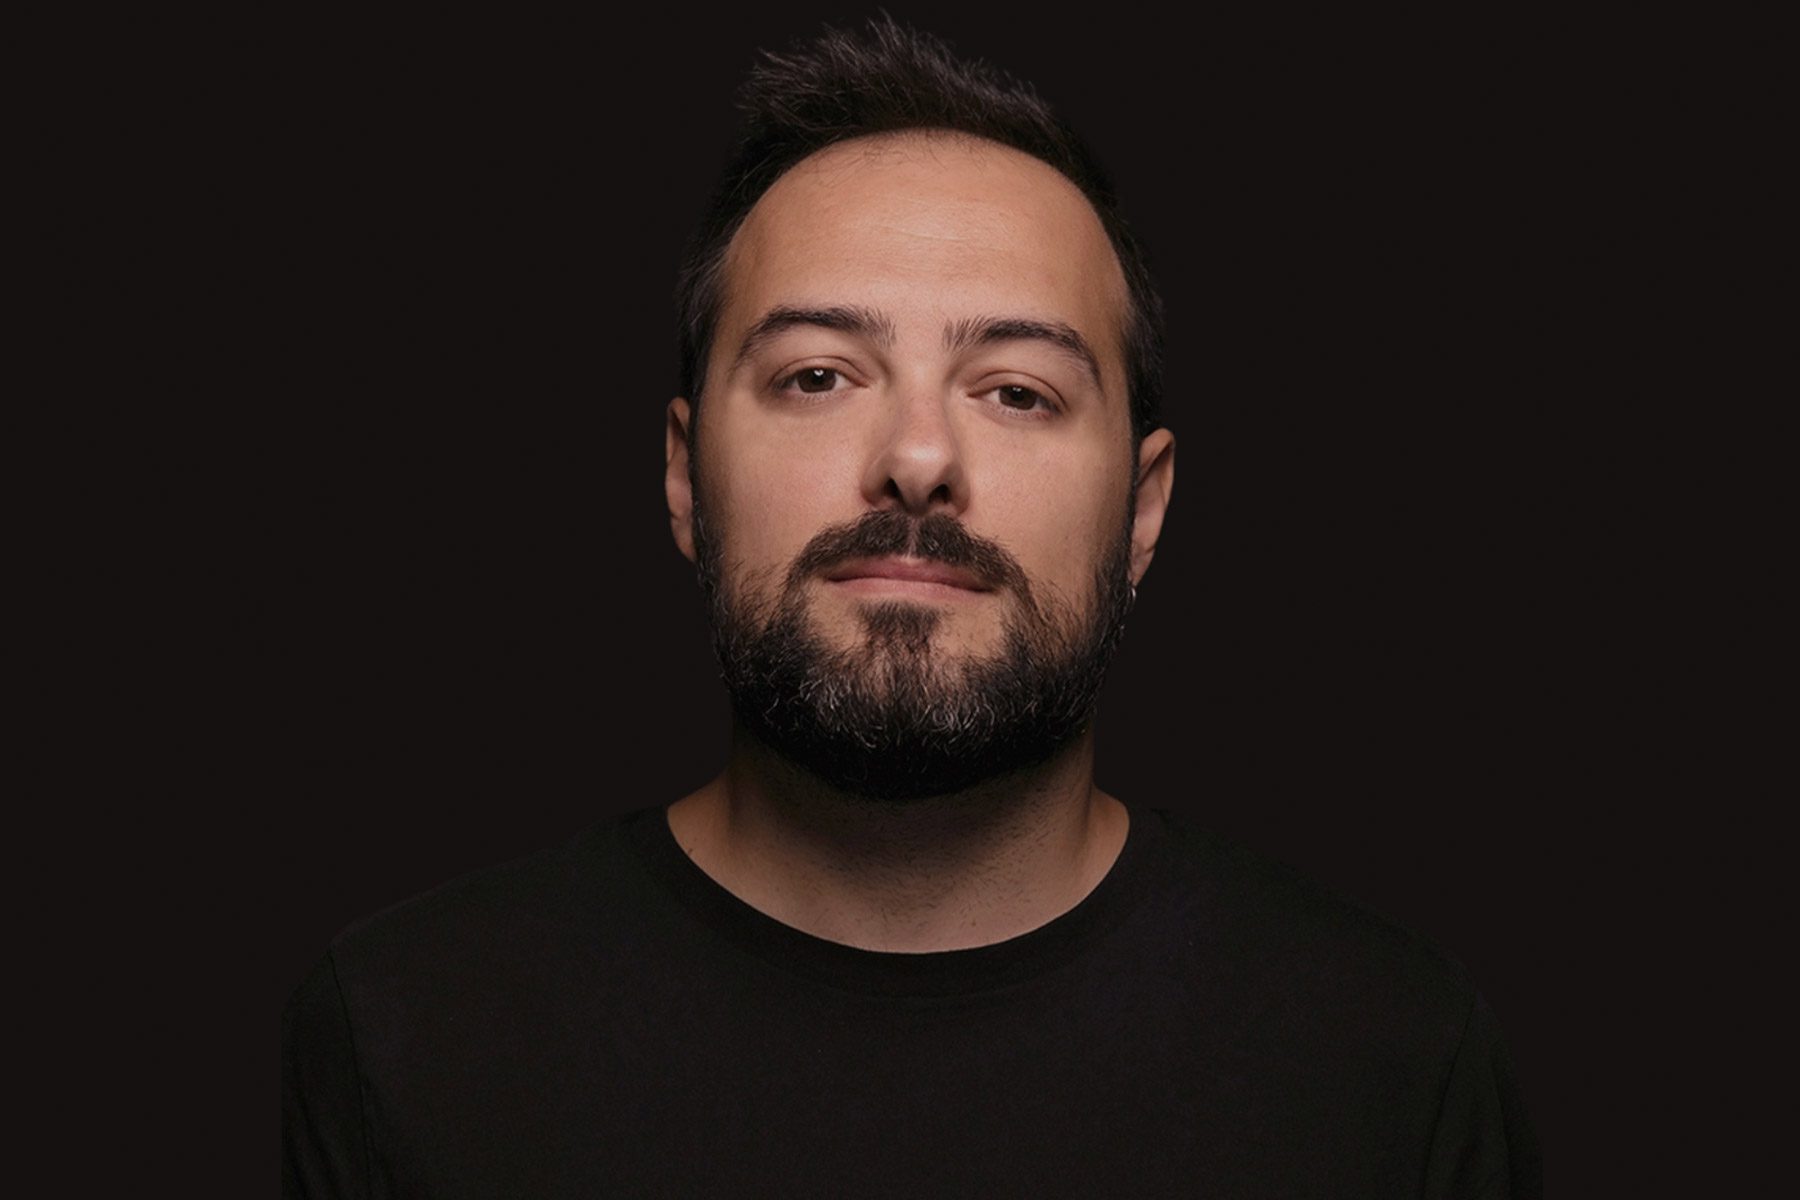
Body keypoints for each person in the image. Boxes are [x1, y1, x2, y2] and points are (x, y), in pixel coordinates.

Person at [282, 17, 1540, 1197]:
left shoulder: (1390, 1064)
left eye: (1018, 391)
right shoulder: (408, 1034)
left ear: (1144, 509)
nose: (919, 458)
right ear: (683, 477)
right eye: (818, 376)